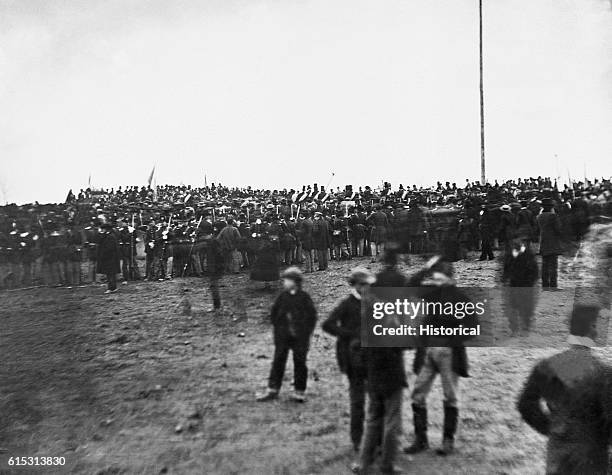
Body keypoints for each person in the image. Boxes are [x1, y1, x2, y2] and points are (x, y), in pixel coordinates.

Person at [517, 305, 612, 474]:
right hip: (592, 452)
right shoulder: (604, 374)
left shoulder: (546, 367)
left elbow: (525, 405)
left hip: (558, 448)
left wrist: (551, 428)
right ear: (592, 330)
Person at [404, 257, 477, 456]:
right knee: (418, 394)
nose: (434, 283)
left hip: (449, 354)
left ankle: (447, 441)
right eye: (433, 279)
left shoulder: (461, 299)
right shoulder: (431, 295)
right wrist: (425, 267)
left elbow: (473, 327)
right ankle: (421, 440)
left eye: (439, 279)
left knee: (450, 397)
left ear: (449, 279)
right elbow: (410, 286)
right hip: (428, 352)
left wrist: (453, 339)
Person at [356, 246, 407, 474]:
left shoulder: (366, 318)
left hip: (373, 372)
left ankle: (363, 462)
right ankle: (387, 464)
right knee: (392, 421)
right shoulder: (390, 319)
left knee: (373, 418)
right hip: (391, 373)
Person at [322, 267, 375, 453]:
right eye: (364, 285)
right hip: (353, 360)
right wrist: (349, 335)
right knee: (357, 402)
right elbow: (327, 324)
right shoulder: (346, 304)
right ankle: (357, 439)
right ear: (355, 285)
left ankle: (375, 440)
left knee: (376, 401)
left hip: (372, 359)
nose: (368, 288)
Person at [257, 267, 317, 402]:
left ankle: (299, 391)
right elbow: (274, 314)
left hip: (300, 338)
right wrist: (279, 330)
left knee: (300, 362)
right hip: (283, 337)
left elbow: (311, 317)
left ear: (296, 282)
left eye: (287, 280)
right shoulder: (282, 297)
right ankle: (273, 389)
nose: (284, 283)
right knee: (278, 361)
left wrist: (305, 333)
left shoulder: (304, 298)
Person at [501, 239, 539, 336]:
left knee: (526, 307)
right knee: (512, 307)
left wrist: (530, 282)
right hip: (514, 284)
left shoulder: (528, 255)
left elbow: (534, 271)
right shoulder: (510, 255)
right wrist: (505, 279)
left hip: (526, 285)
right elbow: (506, 268)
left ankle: (525, 327)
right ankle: (514, 328)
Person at [537, 198, 563, 290]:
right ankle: (553, 286)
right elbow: (558, 230)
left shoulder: (539, 216)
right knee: (553, 266)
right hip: (553, 243)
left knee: (545, 266)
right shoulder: (553, 216)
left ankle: (545, 286)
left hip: (543, 243)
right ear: (551, 207)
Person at [96, 223, 121, 294]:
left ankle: (111, 288)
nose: (101, 230)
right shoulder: (108, 236)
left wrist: (103, 254)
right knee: (110, 273)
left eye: (103, 229)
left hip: (110, 258)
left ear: (105, 229)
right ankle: (113, 287)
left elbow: (109, 248)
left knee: (110, 274)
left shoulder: (110, 237)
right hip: (110, 258)